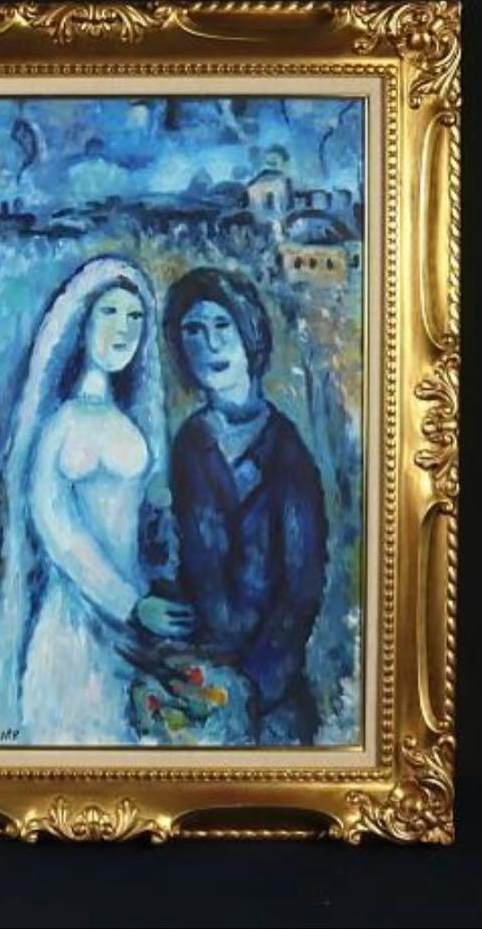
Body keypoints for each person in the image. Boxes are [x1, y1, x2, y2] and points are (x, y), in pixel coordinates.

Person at [0, 256, 192, 744]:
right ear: (82, 323)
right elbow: (60, 533)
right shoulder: (60, 427)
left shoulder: (133, 424)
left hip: (132, 631)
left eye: (135, 318)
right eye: (109, 313)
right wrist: (130, 604)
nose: (123, 330)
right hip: (72, 625)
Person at [164, 268, 328, 744]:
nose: (209, 345)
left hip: (270, 698)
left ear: (249, 335)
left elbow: (302, 591)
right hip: (196, 684)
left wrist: (252, 687)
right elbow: (180, 559)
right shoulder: (189, 443)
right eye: (193, 330)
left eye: (222, 326)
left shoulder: (286, 452)